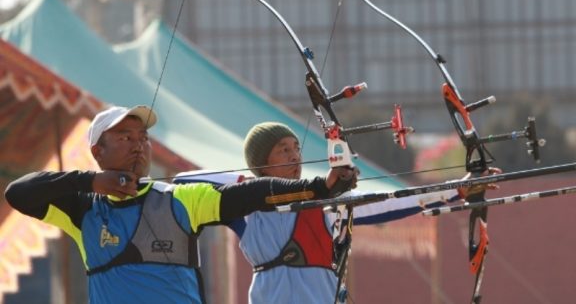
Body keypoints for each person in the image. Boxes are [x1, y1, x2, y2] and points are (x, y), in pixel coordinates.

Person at [4, 106, 358, 304]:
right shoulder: (83, 210)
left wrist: (319, 186)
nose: (138, 145)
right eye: (125, 137)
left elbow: (252, 193)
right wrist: (90, 181)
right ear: (98, 151)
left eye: (143, 138)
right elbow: (18, 193)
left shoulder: (179, 199)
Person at [174, 121, 498, 304]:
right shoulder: (243, 206)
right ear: (261, 162)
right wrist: (253, 183)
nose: (294, 155)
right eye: (282, 150)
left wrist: (455, 189)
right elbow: (182, 182)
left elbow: (386, 201)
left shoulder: (324, 202)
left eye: (295, 147)